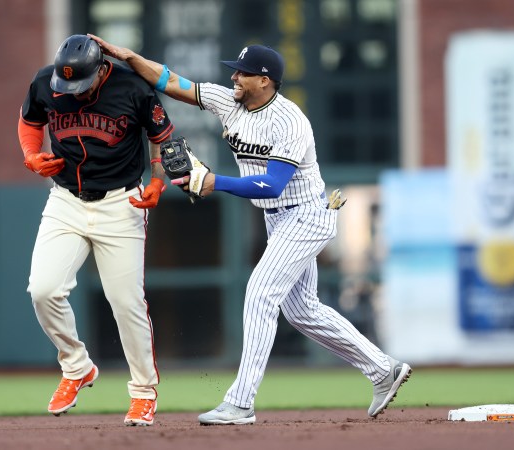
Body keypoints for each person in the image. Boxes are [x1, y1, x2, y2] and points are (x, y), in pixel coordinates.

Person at [89, 34, 411, 425]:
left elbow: (273, 184)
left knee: (260, 292)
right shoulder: (231, 102)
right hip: (277, 218)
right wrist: (129, 56)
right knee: (303, 311)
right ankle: (382, 369)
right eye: (235, 71)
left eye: (243, 73)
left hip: (305, 214)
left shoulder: (290, 120)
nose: (235, 78)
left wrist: (214, 182)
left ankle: (241, 401)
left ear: (266, 80)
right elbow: (172, 82)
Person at [18, 34, 175, 426]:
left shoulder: (133, 87)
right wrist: (31, 156)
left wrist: (158, 181)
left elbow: (162, 139)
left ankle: (143, 391)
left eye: (81, 83)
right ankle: (76, 366)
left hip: (121, 203)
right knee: (43, 289)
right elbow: (29, 122)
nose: (74, 91)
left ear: (101, 68)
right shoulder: (45, 82)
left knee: (126, 303)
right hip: (66, 200)